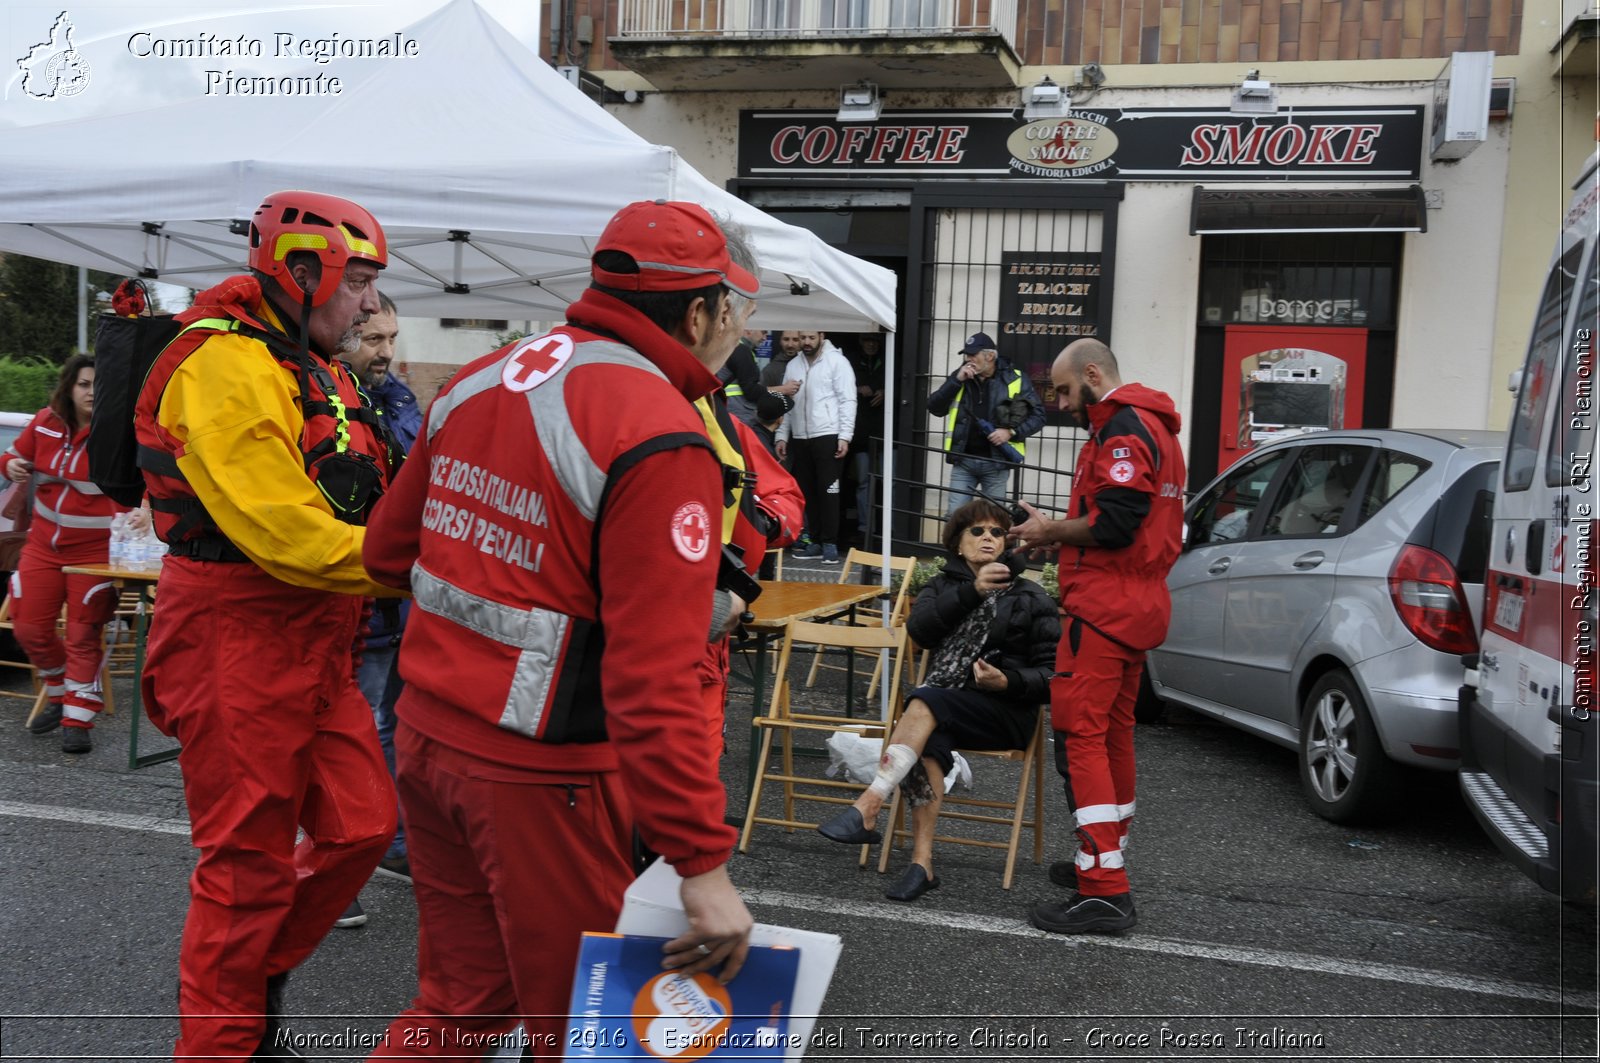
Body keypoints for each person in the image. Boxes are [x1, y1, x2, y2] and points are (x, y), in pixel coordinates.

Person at [361, 200, 757, 1058]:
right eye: (740, 312)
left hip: (428, 737)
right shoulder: (660, 430)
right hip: (542, 773)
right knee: (592, 1033)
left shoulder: (479, 377)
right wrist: (703, 866)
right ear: (700, 313)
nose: (741, 334)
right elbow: (653, 680)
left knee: (459, 1005)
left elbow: (386, 554)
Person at [133, 190, 401, 1060]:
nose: (370, 303)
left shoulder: (312, 366)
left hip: (319, 628)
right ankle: (222, 1039)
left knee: (363, 824)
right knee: (243, 867)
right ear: (298, 270)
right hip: (233, 630)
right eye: (358, 280)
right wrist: (432, 570)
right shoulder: (224, 363)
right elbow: (285, 533)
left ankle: (251, 979)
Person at [1007, 338, 1185, 936]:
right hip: (1136, 602)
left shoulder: (1123, 429)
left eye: (1061, 390)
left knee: (1081, 735)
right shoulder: (1153, 426)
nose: (1058, 403)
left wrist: (1050, 528)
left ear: (1091, 374)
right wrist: (1057, 539)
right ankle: (1101, 858)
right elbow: (1129, 526)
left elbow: (1114, 524)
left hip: (1105, 608)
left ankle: (1105, 887)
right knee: (1112, 734)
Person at [815, 498, 1058, 901]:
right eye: (976, 531)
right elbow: (921, 633)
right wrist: (972, 593)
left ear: (1007, 544)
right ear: (958, 544)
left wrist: (1009, 681)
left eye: (997, 532)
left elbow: (1053, 675)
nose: (987, 539)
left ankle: (869, 804)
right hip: (945, 708)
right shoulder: (942, 587)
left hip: (1005, 712)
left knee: (924, 701)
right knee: (926, 739)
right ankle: (921, 864)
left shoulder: (1032, 596)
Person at [337, 291, 420, 928]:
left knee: (395, 726)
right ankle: (335, 870)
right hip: (352, 599)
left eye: (391, 339)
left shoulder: (398, 402)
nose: (386, 352)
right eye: (374, 340)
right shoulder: (329, 399)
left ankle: (391, 846)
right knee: (351, 733)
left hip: (401, 601)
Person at [6, 355, 137, 754]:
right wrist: (11, 465)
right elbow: (9, 456)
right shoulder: (45, 421)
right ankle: (62, 690)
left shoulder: (119, 432)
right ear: (70, 387)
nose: (92, 391)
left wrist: (143, 514)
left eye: (99, 384)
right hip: (42, 547)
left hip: (96, 553)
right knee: (27, 625)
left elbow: (146, 483)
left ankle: (77, 719)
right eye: (84, 383)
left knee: (83, 633)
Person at [927, 332, 1045, 516]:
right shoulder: (960, 377)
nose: (968, 359)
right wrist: (956, 381)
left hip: (996, 463)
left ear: (990, 356)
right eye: (967, 355)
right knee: (955, 517)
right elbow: (934, 407)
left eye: (973, 355)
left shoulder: (1015, 378)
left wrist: (1011, 432)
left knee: (995, 520)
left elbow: (1039, 416)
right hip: (963, 461)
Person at [777, 330, 856, 563]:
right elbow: (787, 404)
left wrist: (845, 436)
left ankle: (830, 542)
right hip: (801, 436)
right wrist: (782, 436)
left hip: (828, 433)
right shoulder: (793, 365)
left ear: (821, 335)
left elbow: (848, 399)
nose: (806, 342)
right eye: (802, 338)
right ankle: (816, 541)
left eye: (811, 338)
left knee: (829, 491)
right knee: (808, 492)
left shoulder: (837, 362)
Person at [847, 333, 886, 544]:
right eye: (867, 340)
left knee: (890, 482)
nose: (871, 344)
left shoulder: (891, 360)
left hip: (888, 433)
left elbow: (904, 382)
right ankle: (865, 529)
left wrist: (887, 392)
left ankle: (888, 529)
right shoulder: (850, 361)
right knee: (864, 483)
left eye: (875, 340)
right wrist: (855, 389)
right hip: (861, 433)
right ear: (860, 341)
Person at [720, 327, 767, 428]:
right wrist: (782, 390)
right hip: (739, 413)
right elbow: (751, 390)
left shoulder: (734, 348)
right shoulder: (741, 350)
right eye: (763, 332)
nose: (765, 338)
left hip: (732, 409)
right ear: (749, 329)